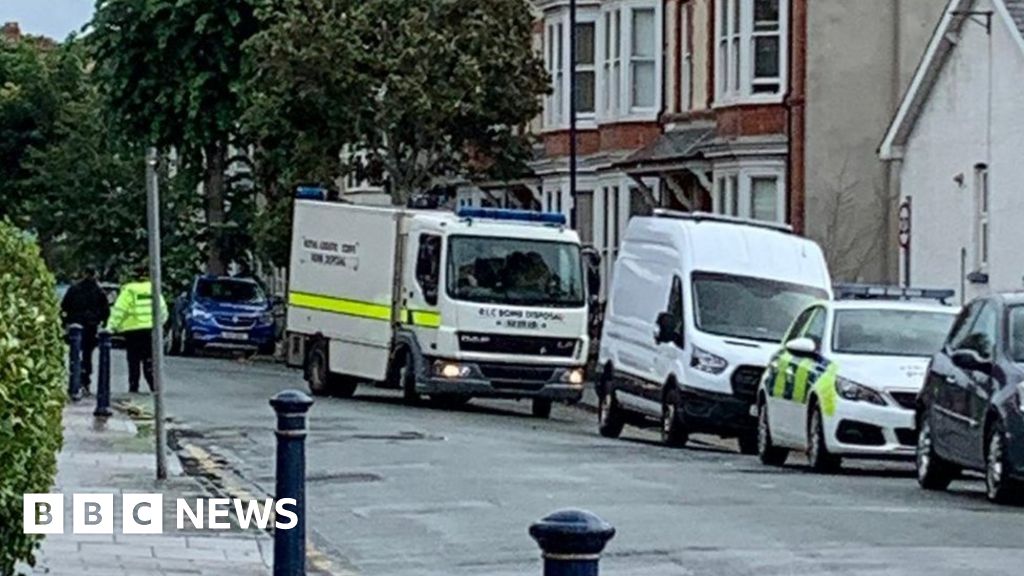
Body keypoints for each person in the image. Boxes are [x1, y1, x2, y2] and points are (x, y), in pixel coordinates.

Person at [108, 265, 168, 393]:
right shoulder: (153, 289)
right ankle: (153, 385)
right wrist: (159, 325)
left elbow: (120, 310)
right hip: (150, 330)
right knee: (149, 358)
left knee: (133, 360)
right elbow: (162, 310)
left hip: (133, 331)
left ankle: (134, 385)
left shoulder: (129, 291)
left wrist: (111, 327)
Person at [60, 267, 111, 396]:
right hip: (91, 326)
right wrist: (100, 320)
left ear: (84, 273)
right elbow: (105, 310)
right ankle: (85, 381)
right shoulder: (98, 291)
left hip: (75, 324)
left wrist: (65, 322)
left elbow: (64, 306)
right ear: (95, 274)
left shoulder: (74, 289)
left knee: (75, 353)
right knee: (87, 355)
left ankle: (74, 382)